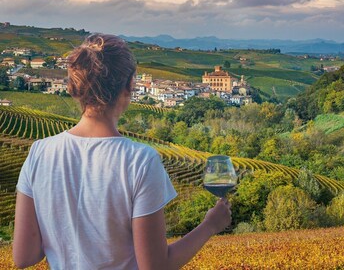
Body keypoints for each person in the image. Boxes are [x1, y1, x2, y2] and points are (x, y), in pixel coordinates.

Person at [12, 34, 231, 269]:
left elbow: (24, 257)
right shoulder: (140, 161)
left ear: (76, 87)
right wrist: (210, 225)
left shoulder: (39, 153)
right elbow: (155, 266)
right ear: (129, 86)